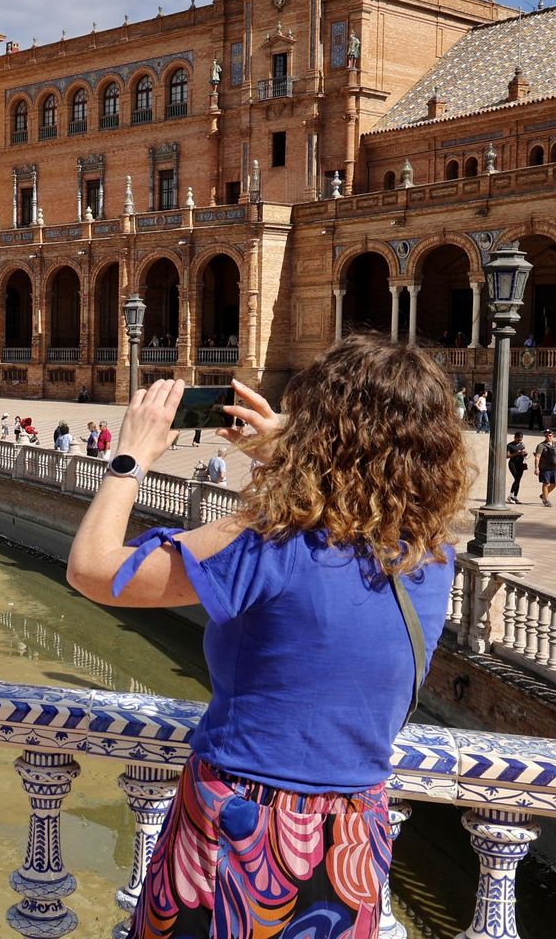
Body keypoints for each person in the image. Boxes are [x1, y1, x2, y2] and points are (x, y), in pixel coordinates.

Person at [67, 335, 468, 937]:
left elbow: (94, 569)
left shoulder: (268, 544)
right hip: (352, 840)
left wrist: (132, 457)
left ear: (318, 432)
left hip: (240, 831)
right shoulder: (432, 562)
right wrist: (298, 453)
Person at [536, 429, 556, 507]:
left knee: (554, 484)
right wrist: (536, 468)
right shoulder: (541, 445)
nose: (548, 437)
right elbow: (537, 457)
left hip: (554, 467)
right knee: (546, 483)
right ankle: (546, 500)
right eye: (546, 436)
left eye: (550, 435)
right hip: (545, 467)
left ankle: (543, 495)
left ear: (553, 435)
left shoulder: (555, 444)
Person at [508, 431, 528, 504]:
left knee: (518, 480)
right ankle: (510, 496)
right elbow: (507, 456)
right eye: (518, 439)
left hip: (520, 464)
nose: (520, 440)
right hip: (512, 464)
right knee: (516, 479)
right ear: (515, 437)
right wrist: (517, 453)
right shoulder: (510, 445)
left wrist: (524, 454)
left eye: (521, 438)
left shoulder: (522, 445)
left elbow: (523, 453)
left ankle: (515, 497)